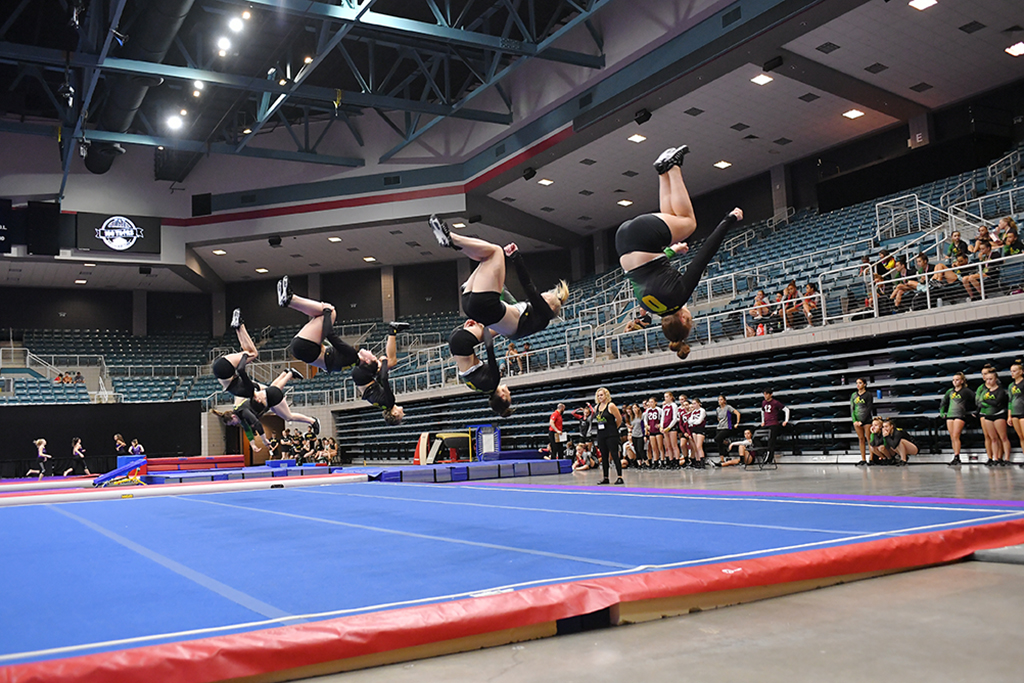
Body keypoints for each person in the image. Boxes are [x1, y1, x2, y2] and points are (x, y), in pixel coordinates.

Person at [614, 145, 743, 359]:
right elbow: (648, 273)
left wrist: (729, 219)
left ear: (683, 319)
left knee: (689, 223)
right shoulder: (650, 307)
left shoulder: (679, 296)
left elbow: (705, 254)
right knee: (671, 218)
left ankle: (673, 166)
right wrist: (671, 251)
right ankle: (663, 171)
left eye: (690, 319)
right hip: (623, 243)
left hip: (643, 237)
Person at [430, 216, 569, 342]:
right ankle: (451, 241)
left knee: (496, 252)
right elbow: (498, 325)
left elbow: (528, 286)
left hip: (485, 306)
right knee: (486, 258)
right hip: (472, 305)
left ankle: (452, 238)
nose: (539, 298)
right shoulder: (524, 319)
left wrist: (516, 257)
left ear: (549, 306)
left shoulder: (546, 315)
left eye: (543, 298)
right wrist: (475, 332)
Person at [277, 279, 395, 375]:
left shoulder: (352, 356)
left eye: (372, 355)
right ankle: (289, 299)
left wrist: (328, 313)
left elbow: (330, 335)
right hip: (303, 350)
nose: (370, 351)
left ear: (367, 360)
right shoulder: (349, 361)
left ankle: (290, 299)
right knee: (319, 314)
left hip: (305, 347)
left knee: (331, 310)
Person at [448, 321, 512, 417]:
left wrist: (485, 328)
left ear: (503, 396)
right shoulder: (482, 389)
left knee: (507, 326)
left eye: (509, 395)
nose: (510, 392)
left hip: (462, 342)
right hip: (455, 344)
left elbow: (489, 348)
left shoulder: (494, 381)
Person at [350, 330, 406, 425]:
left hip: (363, 376)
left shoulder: (390, 402)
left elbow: (384, 379)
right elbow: (380, 380)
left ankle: (392, 331)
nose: (403, 412)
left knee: (391, 361)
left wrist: (384, 362)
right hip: (359, 377)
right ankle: (365, 357)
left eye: (402, 414)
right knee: (388, 363)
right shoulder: (383, 405)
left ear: (395, 413)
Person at [211, 308, 263, 400]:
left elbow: (241, 369)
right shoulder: (244, 391)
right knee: (247, 349)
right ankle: (238, 327)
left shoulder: (250, 391)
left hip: (225, 370)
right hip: (220, 369)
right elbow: (262, 387)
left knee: (253, 353)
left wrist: (245, 356)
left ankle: (240, 325)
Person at [977, 365, 1010, 466]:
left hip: (999, 414)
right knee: (993, 438)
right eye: (986, 379)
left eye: (990, 379)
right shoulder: (984, 391)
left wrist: (986, 401)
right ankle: (995, 458)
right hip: (988, 415)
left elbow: (997, 402)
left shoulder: (1000, 390)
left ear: (995, 379)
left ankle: (1006, 458)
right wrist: (988, 402)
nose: (988, 381)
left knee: (1003, 437)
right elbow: (979, 402)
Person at [940, 372, 974, 466]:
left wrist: (975, 410)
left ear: (962, 381)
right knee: (952, 437)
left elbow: (975, 399)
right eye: (954, 380)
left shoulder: (966, 391)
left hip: (959, 415)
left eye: (957, 380)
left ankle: (957, 456)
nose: (955, 382)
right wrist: (942, 412)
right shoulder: (950, 391)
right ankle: (955, 456)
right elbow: (943, 402)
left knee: (956, 436)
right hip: (950, 415)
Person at [593, 387, 624, 485]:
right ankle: (605, 477)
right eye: (598, 395)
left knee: (614, 455)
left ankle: (619, 476)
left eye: (601, 395)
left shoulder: (611, 406)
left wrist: (614, 429)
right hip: (601, 434)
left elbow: (619, 419)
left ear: (606, 395)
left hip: (611, 434)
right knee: (604, 456)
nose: (600, 397)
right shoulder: (596, 407)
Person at [759, 389, 789, 463]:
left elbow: (786, 409)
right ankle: (763, 453)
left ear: (770, 394)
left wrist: (786, 420)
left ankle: (770, 458)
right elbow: (762, 411)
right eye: (764, 394)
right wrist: (762, 421)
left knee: (771, 441)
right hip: (766, 423)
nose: (765, 396)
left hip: (773, 424)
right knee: (755, 437)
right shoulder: (763, 402)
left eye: (766, 394)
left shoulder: (775, 402)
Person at [850, 378, 875, 466]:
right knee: (861, 439)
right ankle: (863, 458)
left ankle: (871, 458)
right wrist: (854, 421)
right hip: (857, 421)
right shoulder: (854, 395)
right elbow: (852, 409)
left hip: (866, 420)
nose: (858, 385)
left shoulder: (868, 395)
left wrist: (862, 421)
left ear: (864, 384)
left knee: (869, 439)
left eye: (860, 383)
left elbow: (869, 408)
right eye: (857, 383)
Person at [714, 395, 741, 461]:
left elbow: (737, 413)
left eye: (721, 400)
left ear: (724, 401)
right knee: (719, 443)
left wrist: (737, 423)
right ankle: (722, 458)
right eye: (719, 400)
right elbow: (718, 417)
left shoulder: (728, 407)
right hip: (719, 427)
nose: (719, 401)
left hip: (727, 427)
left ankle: (726, 445)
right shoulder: (718, 409)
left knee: (717, 439)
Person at [660, 391, 681, 468]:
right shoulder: (664, 406)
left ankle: (677, 461)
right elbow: (662, 417)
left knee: (674, 445)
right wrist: (662, 427)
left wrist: (669, 427)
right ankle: (671, 461)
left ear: (671, 397)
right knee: (668, 446)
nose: (666, 398)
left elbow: (675, 418)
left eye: (667, 397)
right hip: (665, 427)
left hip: (672, 427)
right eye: (665, 397)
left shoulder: (674, 405)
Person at [1009, 363, 1024, 468]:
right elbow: (1010, 401)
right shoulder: (1011, 386)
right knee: (1021, 437)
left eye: (1014, 371)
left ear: (1021, 371)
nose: (1012, 373)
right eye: (1011, 371)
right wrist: (1009, 416)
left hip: (1023, 413)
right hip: (1015, 413)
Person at [686, 397, 707, 468]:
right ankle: (698, 461)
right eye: (692, 404)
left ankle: (702, 462)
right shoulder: (694, 412)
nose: (693, 405)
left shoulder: (702, 410)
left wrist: (694, 422)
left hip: (700, 429)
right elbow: (689, 421)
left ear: (699, 403)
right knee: (695, 447)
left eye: (695, 403)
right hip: (694, 430)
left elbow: (699, 421)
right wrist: (694, 422)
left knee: (699, 446)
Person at [643, 397, 663, 469]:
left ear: (655, 402)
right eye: (649, 402)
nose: (650, 403)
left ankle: (662, 461)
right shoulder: (647, 411)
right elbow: (645, 420)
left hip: (658, 431)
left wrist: (660, 425)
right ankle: (656, 461)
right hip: (651, 431)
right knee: (654, 448)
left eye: (652, 402)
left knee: (660, 447)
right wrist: (647, 425)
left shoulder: (659, 410)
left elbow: (662, 418)